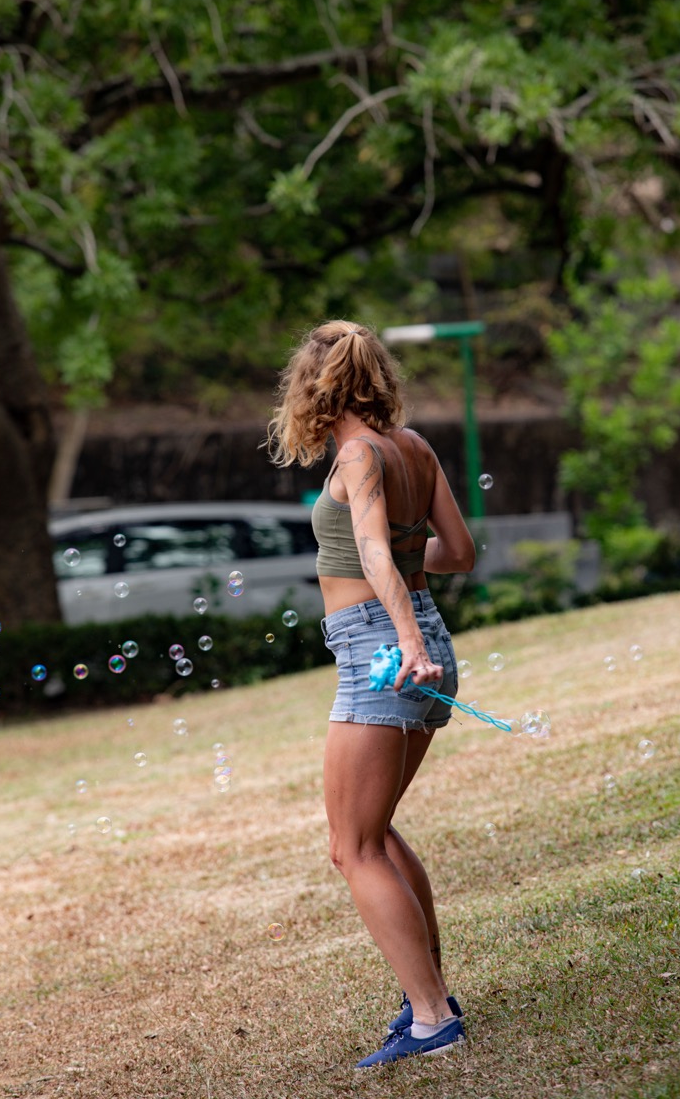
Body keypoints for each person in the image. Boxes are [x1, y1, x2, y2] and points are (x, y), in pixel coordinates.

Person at [267, 320, 475, 1069]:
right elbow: (459, 553)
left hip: (382, 650)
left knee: (351, 846)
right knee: (375, 833)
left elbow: (374, 552)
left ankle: (431, 1019)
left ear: (314, 387)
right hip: (424, 639)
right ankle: (432, 998)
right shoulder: (413, 447)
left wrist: (405, 641)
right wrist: (417, 622)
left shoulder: (357, 454)